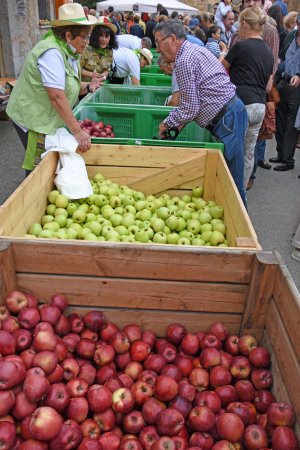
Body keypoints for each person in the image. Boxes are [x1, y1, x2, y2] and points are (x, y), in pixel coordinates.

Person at [154, 19, 248, 205]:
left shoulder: (183, 60)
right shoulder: (194, 49)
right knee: (230, 177)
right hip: (230, 113)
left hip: (227, 118)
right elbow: (196, 98)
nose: (157, 49)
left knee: (232, 182)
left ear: (172, 39)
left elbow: (190, 107)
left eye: (158, 42)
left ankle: (243, 229)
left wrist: (167, 122)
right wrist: (180, 123)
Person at [6, 3, 102, 174]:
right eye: (84, 37)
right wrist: (77, 131)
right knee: (40, 167)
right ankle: (32, 198)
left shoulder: (69, 52)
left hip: (46, 116)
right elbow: (57, 96)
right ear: (68, 35)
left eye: (88, 37)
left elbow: (66, 86)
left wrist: (88, 86)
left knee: (46, 162)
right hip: (32, 118)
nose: (87, 42)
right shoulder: (52, 53)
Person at [220, 6, 274, 190]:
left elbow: (220, 69)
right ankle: (241, 190)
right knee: (249, 152)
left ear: (244, 23)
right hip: (259, 106)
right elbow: (268, 86)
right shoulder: (267, 51)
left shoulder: (240, 46)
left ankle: (229, 191)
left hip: (240, 104)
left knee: (233, 151)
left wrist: (222, 53)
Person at [269, 13, 300, 171]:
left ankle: (288, 160)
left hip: (297, 88)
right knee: (280, 121)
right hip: (283, 82)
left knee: (291, 124)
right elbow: (281, 57)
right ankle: (281, 154)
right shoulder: (291, 36)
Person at [80, 16, 118, 83]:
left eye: (106, 36)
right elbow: (77, 69)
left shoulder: (110, 51)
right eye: (101, 36)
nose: (104, 39)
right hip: (85, 88)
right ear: (95, 36)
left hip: (100, 87)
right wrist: (91, 75)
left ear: (110, 37)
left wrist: (104, 75)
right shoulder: (85, 49)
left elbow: (108, 69)